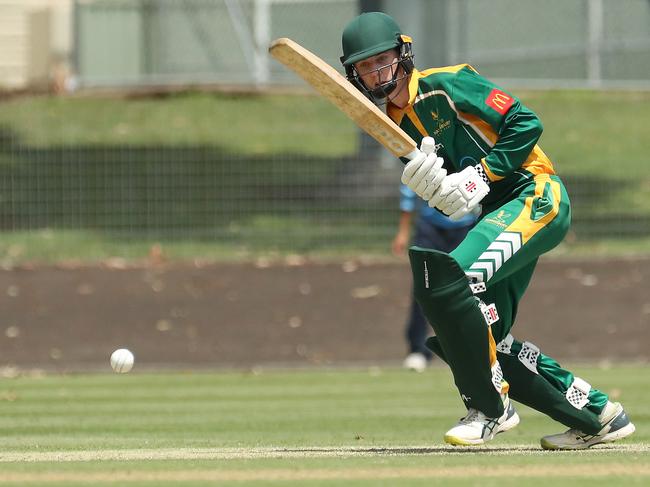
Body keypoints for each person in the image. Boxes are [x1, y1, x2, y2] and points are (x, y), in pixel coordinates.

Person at [340, 11, 635, 449]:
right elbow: (449, 187)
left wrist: (482, 173)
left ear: (403, 54)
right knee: (476, 335)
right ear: (354, 74)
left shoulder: (449, 83)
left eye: (382, 59)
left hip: (535, 194)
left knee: (450, 281)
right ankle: (598, 415)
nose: (376, 72)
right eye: (365, 66)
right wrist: (440, 193)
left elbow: (525, 121)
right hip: (496, 211)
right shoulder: (395, 126)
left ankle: (490, 408)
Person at [393, 183, 475, 372]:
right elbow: (408, 188)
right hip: (430, 227)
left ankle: (468, 350)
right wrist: (403, 231)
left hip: (466, 226)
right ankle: (417, 350)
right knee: (424, 288)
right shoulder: (428, 153)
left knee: (469, 290)